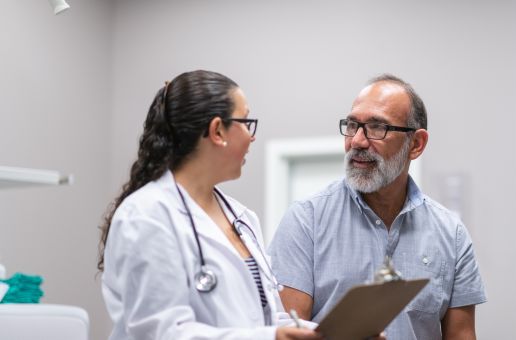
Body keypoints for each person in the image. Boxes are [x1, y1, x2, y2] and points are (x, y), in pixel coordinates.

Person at [97, 70, 324, 340]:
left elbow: (264, 316)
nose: (252, 137)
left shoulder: (242, 218)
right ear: (217, 130)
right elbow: (161, 332)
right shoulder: (146, 216)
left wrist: (334, 334)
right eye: (246, 122)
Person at [268, 74, 487, 340]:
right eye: (352, 125)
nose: (357, 141)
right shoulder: (306, 220)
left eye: (377, 127)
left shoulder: (451, 234)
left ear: (416, 144)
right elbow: (287, 334)